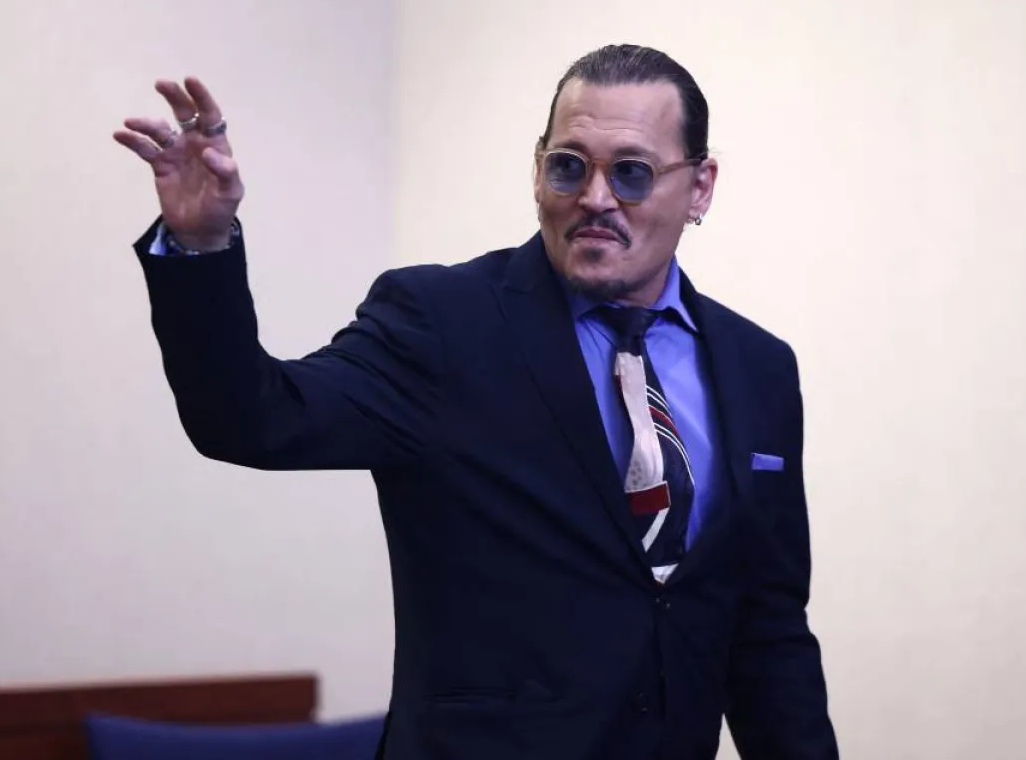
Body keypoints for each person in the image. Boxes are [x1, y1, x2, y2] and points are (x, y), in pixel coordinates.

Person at [114, 44, 839, 760]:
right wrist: (201, 246)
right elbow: (253, 418)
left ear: (700, 187)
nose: (595, 199)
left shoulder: (758, 367)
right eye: (569, 166)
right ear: (538, 170)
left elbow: (768, 629)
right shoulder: (442, 323)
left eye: (631, 173)